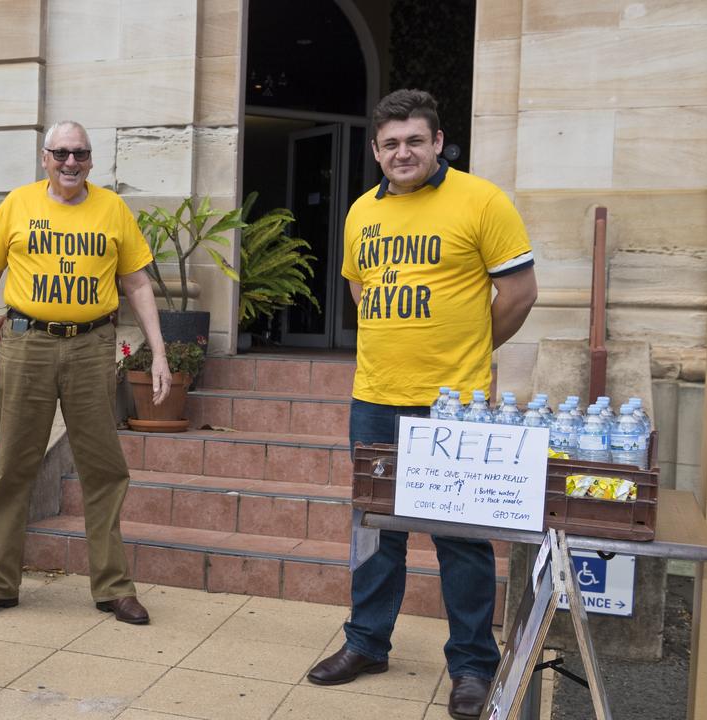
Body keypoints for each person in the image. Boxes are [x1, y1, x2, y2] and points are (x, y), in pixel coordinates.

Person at [306, 89, 537, 720]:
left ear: (438, 142)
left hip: (454, 406)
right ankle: (367, 643)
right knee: (374, 530)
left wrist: (468, 349)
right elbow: (360, 288)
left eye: (415, 140)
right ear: (377, 151)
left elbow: (518, 291)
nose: (402, 152)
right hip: (374, 396)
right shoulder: (360, 212)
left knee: (460, 536)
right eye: (390, 143)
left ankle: (470, 665)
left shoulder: (481, 200)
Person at [0, 120, 171, 625]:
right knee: (14, 465)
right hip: (27, 343)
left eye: (81, 154)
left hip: (92, 346)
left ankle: (114, 587)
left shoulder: (112, 208)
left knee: (104, 467)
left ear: (91, 160)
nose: (72, 163)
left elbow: (136, 284)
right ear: (44, 157)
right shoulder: (18, 204)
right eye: (62, 154)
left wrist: (158, 352)